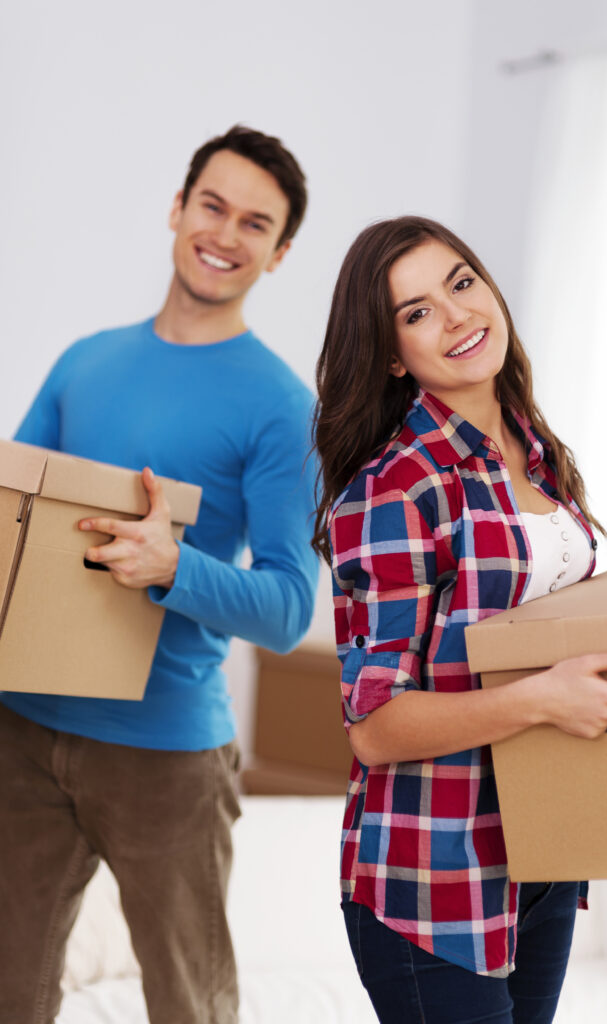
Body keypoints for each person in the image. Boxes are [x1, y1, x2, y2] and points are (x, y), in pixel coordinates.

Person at [0, 125, 319, 1024]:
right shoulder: (85, 359)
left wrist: (174, 566)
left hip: (167, 756)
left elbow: (291, 610)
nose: (225, 233)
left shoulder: (281, 408)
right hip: (20, 730)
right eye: (211, 206)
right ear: (177, 210)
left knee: (190, 1006)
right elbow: (11, 525)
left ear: (279, 251)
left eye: (255, 223)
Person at [312, 215, 607, 1024]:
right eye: (418, 310)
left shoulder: (535, 455)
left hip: (539, 848)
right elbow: (373, 723)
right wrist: (544, 699)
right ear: (393, 355)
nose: (458, 314)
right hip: (434, 871)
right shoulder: (396, 486)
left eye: (461, 283)